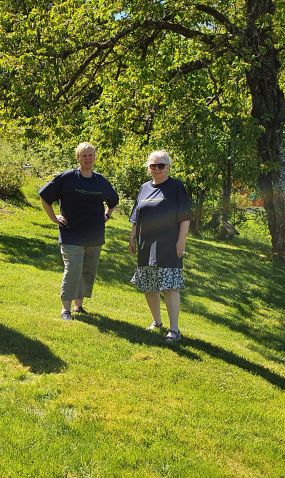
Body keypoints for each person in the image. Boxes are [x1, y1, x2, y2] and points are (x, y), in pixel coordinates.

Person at [39, 142, 119, 320]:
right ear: (78, 158)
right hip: (71, 234)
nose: (88, 158)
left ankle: (78, 306)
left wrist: (107, 215)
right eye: (84, 155)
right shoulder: (67, 178)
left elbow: (113, 199)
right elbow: (45, 196)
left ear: (95, 158)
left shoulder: (100, 180)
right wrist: (53, 217)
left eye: (91, 155)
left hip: (94, 235)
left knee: (88, 271)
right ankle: (65, 310)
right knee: (73, 270)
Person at [128, 150, 192, 343]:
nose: (157, 169)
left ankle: (174, 330)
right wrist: (132, 237)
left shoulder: (176, 187)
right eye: (153, 166)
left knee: (169, 285)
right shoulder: (144, 188)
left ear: (168, 167)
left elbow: (185, 217)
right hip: (145, 244)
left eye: (161, 165)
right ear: (149, 168)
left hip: (168, 244)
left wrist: (181, 241)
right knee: (149, 284)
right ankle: (156, 322)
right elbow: (136, 217)